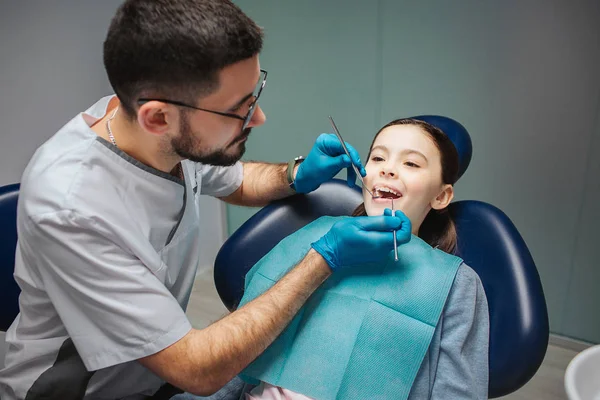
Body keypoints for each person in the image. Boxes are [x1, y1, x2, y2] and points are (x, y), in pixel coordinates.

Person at [0, 1, 409, 399]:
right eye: (239, 110)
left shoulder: (158, 134)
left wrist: (296, 174)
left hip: (153, 374)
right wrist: (324, 259)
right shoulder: (73, 210)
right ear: (157, 117)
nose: (259, 118)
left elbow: (235, 181)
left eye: (255, 94)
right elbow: (197, 369)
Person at [239, 118, 490, 400]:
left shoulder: (455, 283)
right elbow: (240, 338)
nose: (388, 168)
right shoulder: (316, 238)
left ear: (441, 196)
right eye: (378, 157)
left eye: (411, 164)